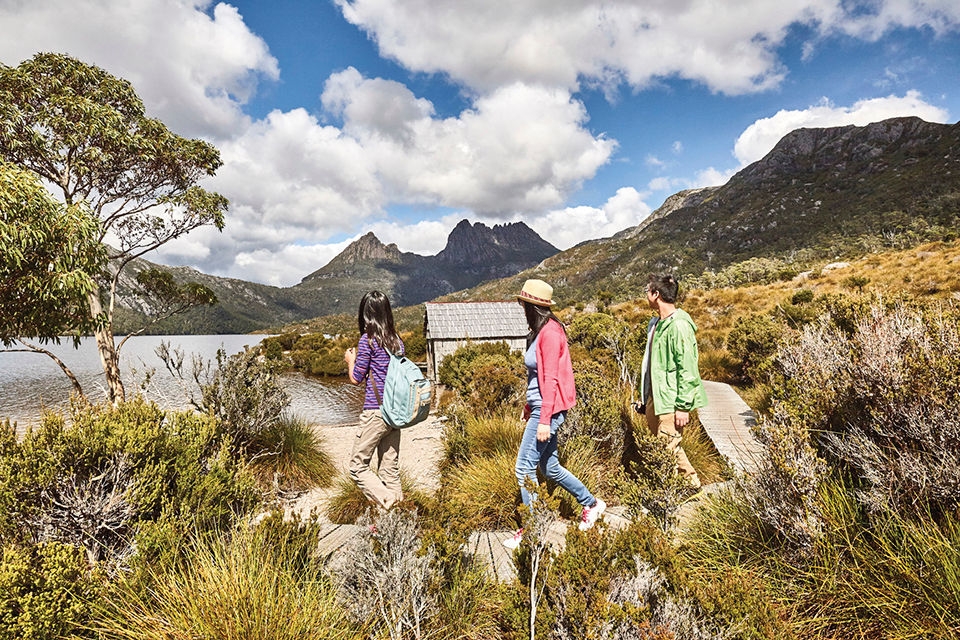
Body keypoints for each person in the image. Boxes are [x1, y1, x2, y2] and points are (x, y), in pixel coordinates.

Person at [503, 279, 606, 549]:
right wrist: (529, 406)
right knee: (550, 467)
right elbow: (536, 377)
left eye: (524, 303)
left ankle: (533, 531)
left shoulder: (549, 333)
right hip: (541, 407)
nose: (521, 307)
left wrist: (544, 419)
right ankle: (591, 504)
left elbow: (550, 380)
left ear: (532, 306)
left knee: (524, 469)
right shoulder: (540, 331)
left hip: (547, 409)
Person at [638, 273, 708, 489]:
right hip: (654, 397)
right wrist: (645, 397)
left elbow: (687, 368)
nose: (646, 295)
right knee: (669, 444)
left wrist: (683, 406)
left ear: (656, 294)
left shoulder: (679, 326)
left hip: (672, 399)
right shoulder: (655, 323)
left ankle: (663, 498)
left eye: (647, 291)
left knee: (664, 449)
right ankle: (692, 484)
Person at [343, 290, 405, 511]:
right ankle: (401, 518)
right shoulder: (397, 341)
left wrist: (350, 359)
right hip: (395, 413)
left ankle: (388, 502)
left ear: (366, 314)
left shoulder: (368, 340)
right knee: (389, 469)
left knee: (357, 467)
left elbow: (356, 379)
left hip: (375, 413)